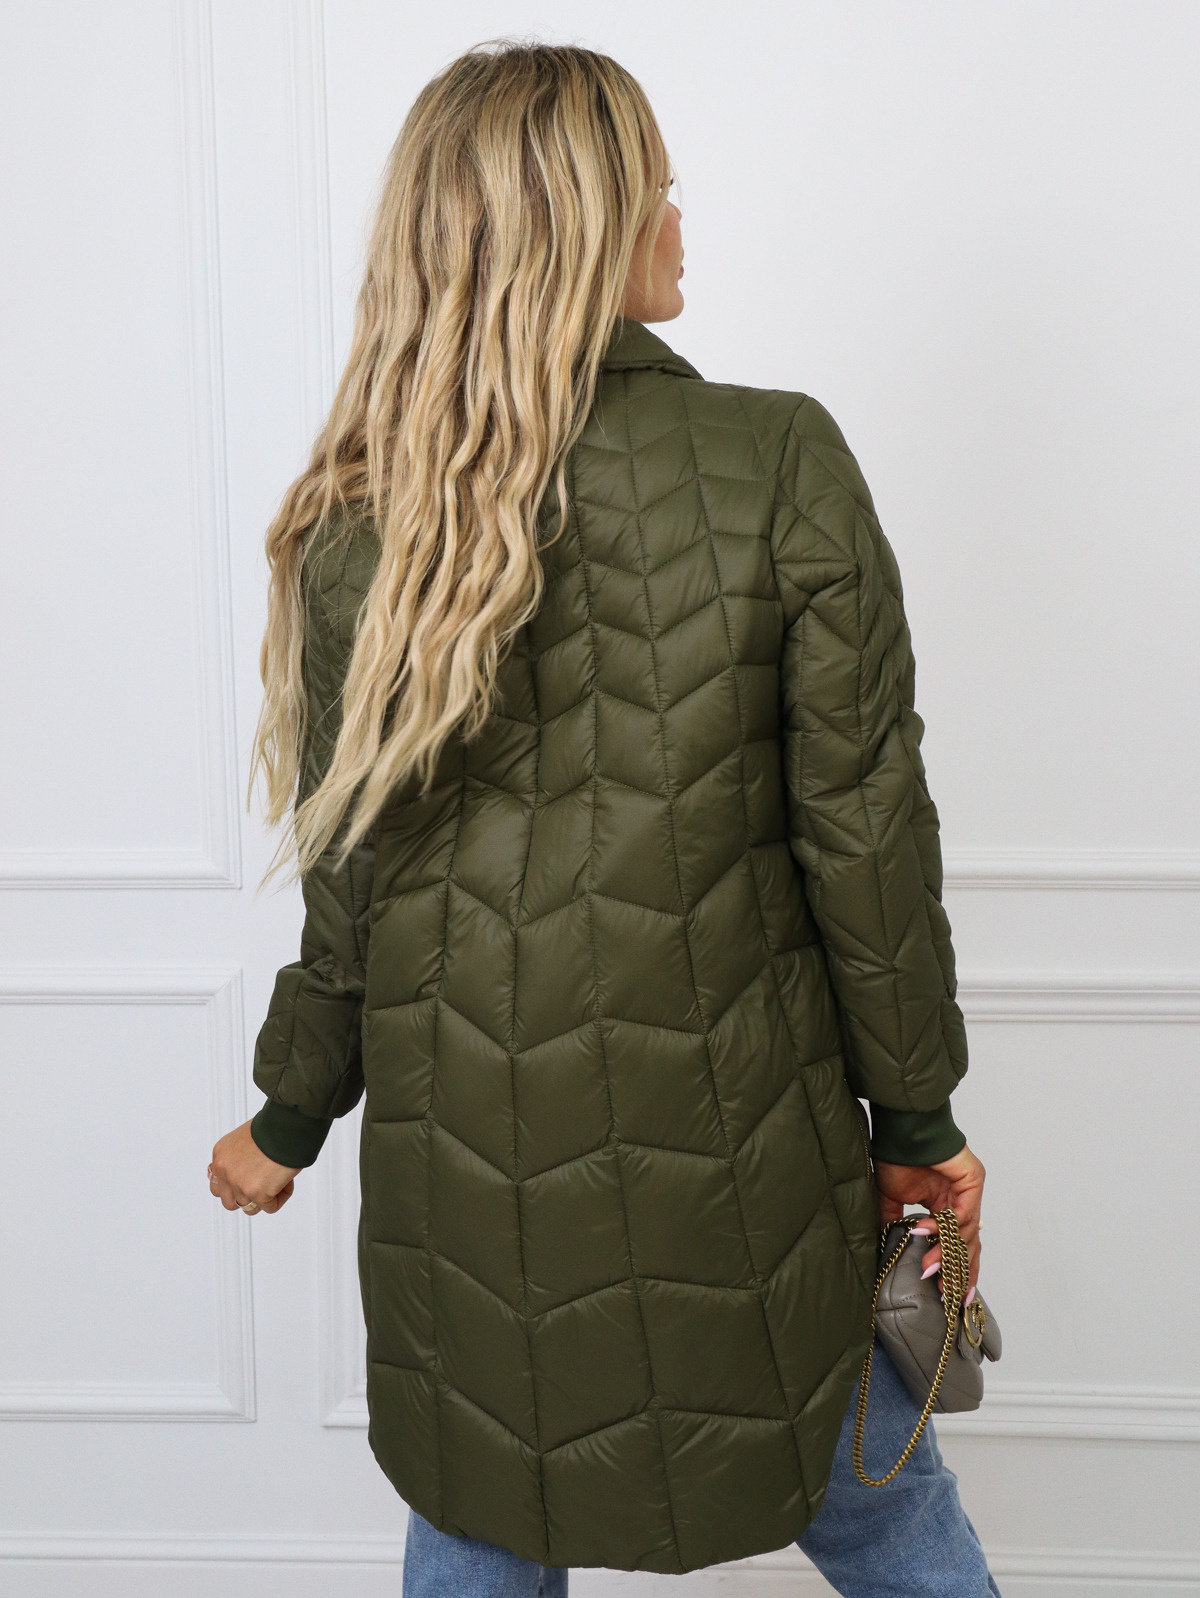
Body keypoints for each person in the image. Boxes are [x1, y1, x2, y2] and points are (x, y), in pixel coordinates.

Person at [207, 39, 997, 1597]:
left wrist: (288, 1113)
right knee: (879, 1502)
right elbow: (869, 845)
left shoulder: (369, 517)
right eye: (658, 190)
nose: (682, 219)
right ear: (587, 226)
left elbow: (351, 884)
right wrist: (916, 1127)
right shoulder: (778, 461)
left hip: (468, 1186)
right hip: (748, 1170)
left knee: (481, 1499)